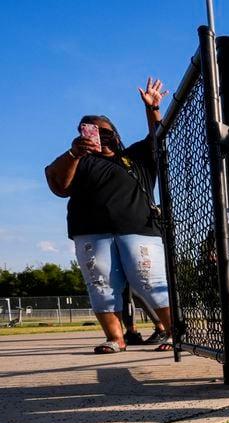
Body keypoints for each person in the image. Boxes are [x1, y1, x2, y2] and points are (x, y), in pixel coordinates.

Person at [45, 77, 173, 354]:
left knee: (150, 281)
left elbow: (158, 137)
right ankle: (116, 338)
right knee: (101, 285)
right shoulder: (78, 160)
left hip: (138, 229)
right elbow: (59, 187)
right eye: (91, 132)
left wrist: (152, 109)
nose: (100, 137)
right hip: (91, 232)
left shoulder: (136, 156)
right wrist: (74, 153)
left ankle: (173, 332)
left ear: (116, 134)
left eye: (105, 132)